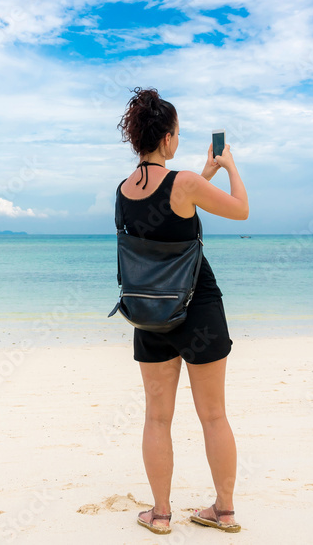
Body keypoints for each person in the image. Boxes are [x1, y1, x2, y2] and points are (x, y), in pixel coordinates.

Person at [114, 87, 249, 535]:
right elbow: (241, 211)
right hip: (198, 306)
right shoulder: (185, 182)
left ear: (138, 139)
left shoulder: (123, 190)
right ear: (169, 137)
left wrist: (202, 173)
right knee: (213, 414)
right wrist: (227, 166)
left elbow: (162, 224)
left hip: (149, 311)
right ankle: (224, 511)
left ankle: (161, 514)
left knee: (157, 416)